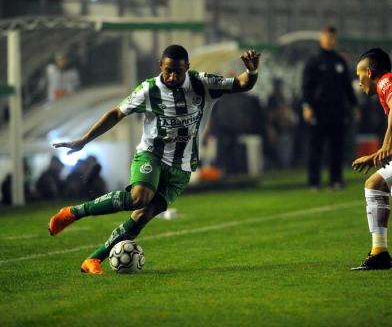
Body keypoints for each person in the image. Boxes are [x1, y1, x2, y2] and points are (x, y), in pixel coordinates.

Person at [48, 45, 260, 274]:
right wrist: (85, 139)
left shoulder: (202, 83)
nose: (172, 76)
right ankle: (72, 213)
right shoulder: (149, 89)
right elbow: (117, 113)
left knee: (143, 215)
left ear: (187, 68)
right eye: (168, 70)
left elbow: (241, 84)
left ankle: (93, 260)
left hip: (183, 165)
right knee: (139, 198)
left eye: (178, 72)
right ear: (161, 65)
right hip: (152, 155)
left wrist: (252, 72)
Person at [302, 26, 358, 190]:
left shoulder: (339, 61)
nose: (330, 40)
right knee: (316, 147)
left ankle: (336, 180)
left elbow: (347, 86)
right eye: (327, 37)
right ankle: (314, 181)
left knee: (337, 147)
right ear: (322, 38)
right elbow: (306, 86)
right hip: (319, 110)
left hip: (337, 110)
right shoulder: (313, 61)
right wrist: (307, 106)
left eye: (333, 37)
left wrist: (354, 105)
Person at [352, 48, 392, 270]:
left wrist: (385, 146)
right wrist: (376, 155)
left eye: (359, 76)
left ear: (369, 71)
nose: (359, 82)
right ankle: (379, 252)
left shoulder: (386, 82)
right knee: (375, 184)